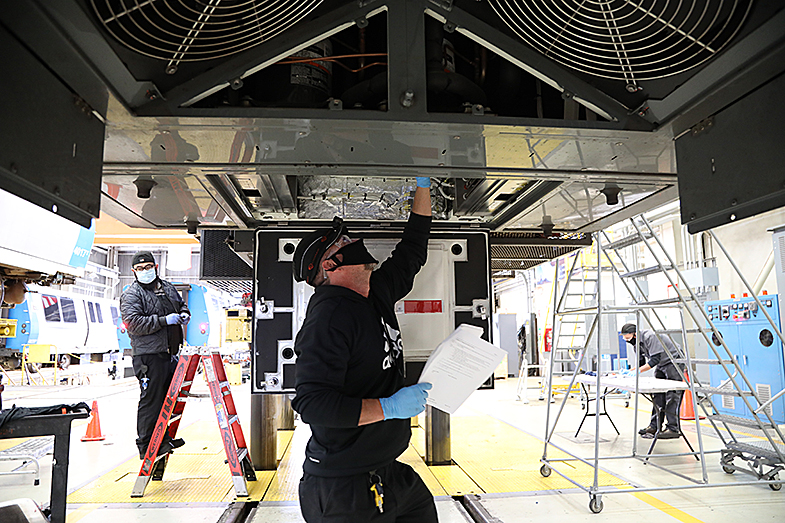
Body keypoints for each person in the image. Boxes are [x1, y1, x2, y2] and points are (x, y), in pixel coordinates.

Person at [291, 176, 437, 523]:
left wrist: (424, 183)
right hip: (343, 489)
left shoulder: (376, 291)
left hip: (389, 472)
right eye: (343, 241)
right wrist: (388, 408)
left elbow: (413, 248)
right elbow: (312, 404)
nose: (355, 240)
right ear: (329, 265)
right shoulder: (329, 317)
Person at [120, 251, 190, 459]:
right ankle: (146, 444)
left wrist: (185, 313)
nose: (145, 271)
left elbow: (181, 304)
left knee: (166, 399)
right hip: (148, 356)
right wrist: (163, 320)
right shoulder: (132, 294)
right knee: (151, 400)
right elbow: (133, 323)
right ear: (134, 272)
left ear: (156, 267)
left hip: (170, 353)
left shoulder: (167, 287)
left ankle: (163, 439)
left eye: (148, 267)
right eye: (140, 269)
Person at [620, 323, 684, 439]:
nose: (628, 341)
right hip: (661, 364)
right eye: (625, 339)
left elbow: (654, 359)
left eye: (628, 338)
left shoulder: (650, 336)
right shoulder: (636, 343)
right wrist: (629, 371)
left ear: (635, 334)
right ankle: (655, 426)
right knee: (657, 395)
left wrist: (637, 372)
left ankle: (672, 428)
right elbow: (640, 363)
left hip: (674, 361)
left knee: (672, 395)